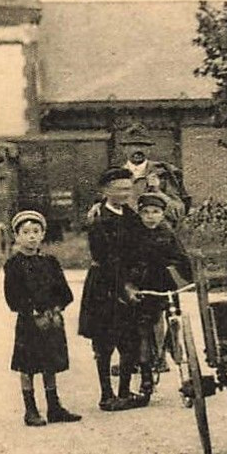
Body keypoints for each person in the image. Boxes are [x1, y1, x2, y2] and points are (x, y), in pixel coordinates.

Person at [2, 210, 82, 427]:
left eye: (36, 231)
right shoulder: (13, 265)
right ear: (16, 236)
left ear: (43, 234)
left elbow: (65, 292)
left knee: (50, 363)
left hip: (51, 319)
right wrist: (33, 311)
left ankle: (54, 407)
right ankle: (30, 410)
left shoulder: (50, 262)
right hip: (29, 322)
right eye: (25, 232)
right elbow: (12, 298)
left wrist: (56, 308)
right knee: (27, 366)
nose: (31, 237)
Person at [77, 167, 146, 411]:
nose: (126, 193)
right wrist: (124, 285)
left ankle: (125, 392)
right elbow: (104, 257)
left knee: (130, 341)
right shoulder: (98, 219)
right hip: (105, 285)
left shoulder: (131, 215)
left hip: (128, 281)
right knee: (104, 341)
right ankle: (107, 395)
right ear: (106, 191)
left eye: (128, 188)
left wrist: (136, 276)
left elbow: (140, 248)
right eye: (120, 189)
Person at [125, 190, 194, 391]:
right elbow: (128, 262)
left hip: (166, 284)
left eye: (155, 211)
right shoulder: (135, 235)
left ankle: (177, 353)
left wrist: (191, 278)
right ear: (140, 214)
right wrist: (132, 282)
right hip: (145, 286)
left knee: (174, 320)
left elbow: (182, 257)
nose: (150, 216)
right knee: (144, 330)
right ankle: (146, 374)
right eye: (146, 212)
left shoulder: (168, 233)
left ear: (162, 214)